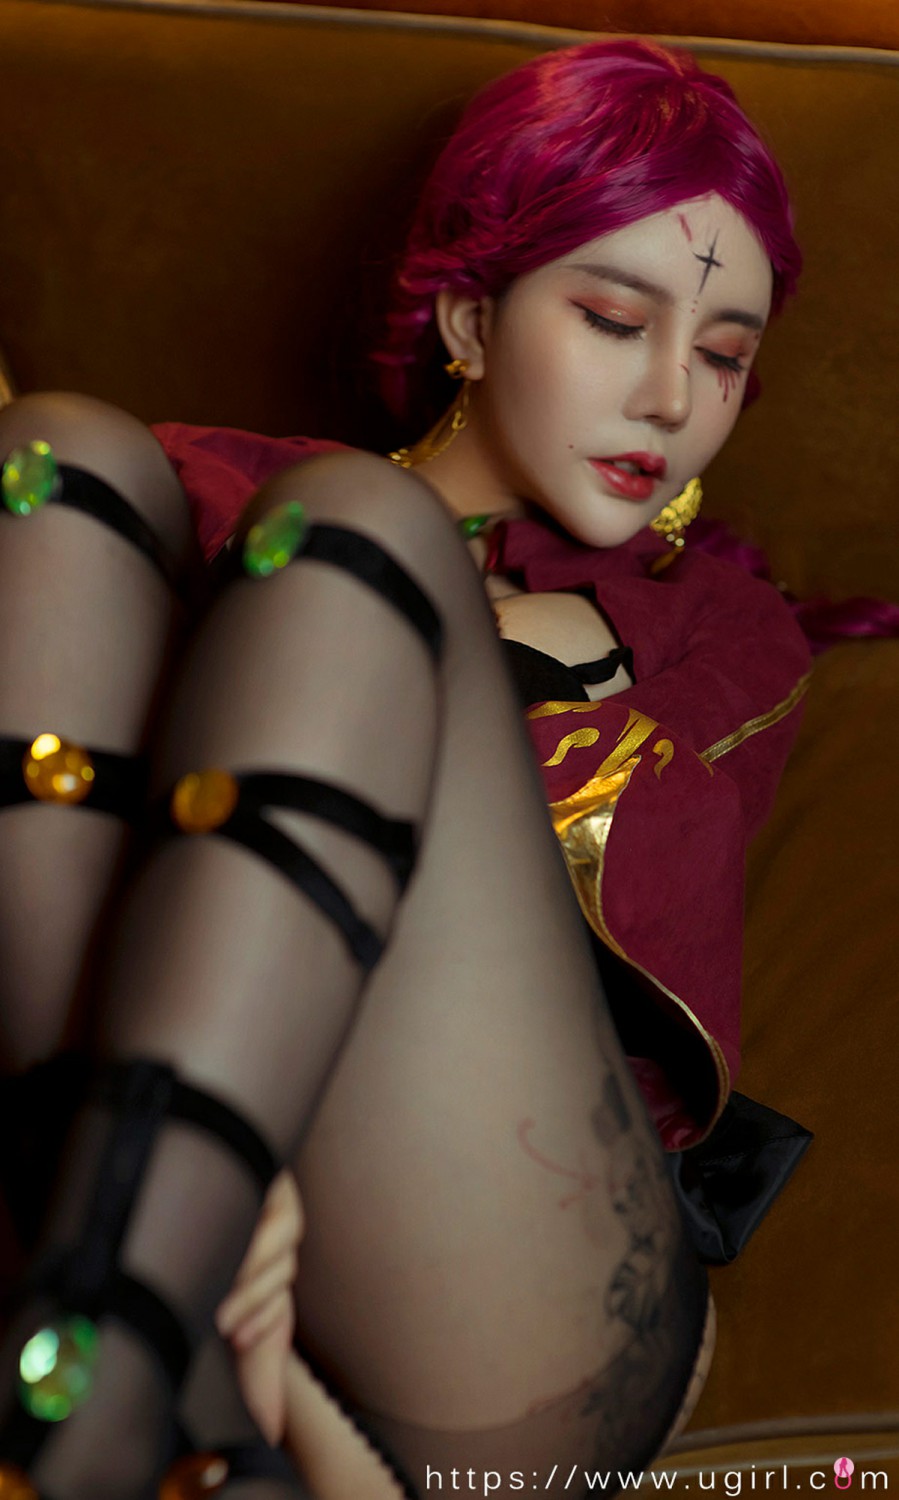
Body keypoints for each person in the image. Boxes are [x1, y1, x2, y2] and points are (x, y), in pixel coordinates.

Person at [0, 35, 810, 1500]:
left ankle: (135, 1317)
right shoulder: (199, 490)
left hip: (509, 1267)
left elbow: (639, 900)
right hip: (114, 1138)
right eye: (614, 319)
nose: (671, 397)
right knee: (50, 460)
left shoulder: (721, 632)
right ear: (471, 320)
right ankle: (152, 1316)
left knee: (358, 541)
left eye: (725, 356)